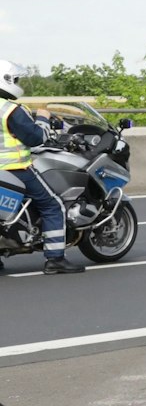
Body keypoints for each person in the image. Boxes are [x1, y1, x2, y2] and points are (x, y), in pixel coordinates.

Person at [0, 60, 83, 273]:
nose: (18, 83)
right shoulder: (9, 110)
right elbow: (36, 137)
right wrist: (44, 119)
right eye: (15, 79)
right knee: (53, 205)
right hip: (15, 169)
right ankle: (55, 258)